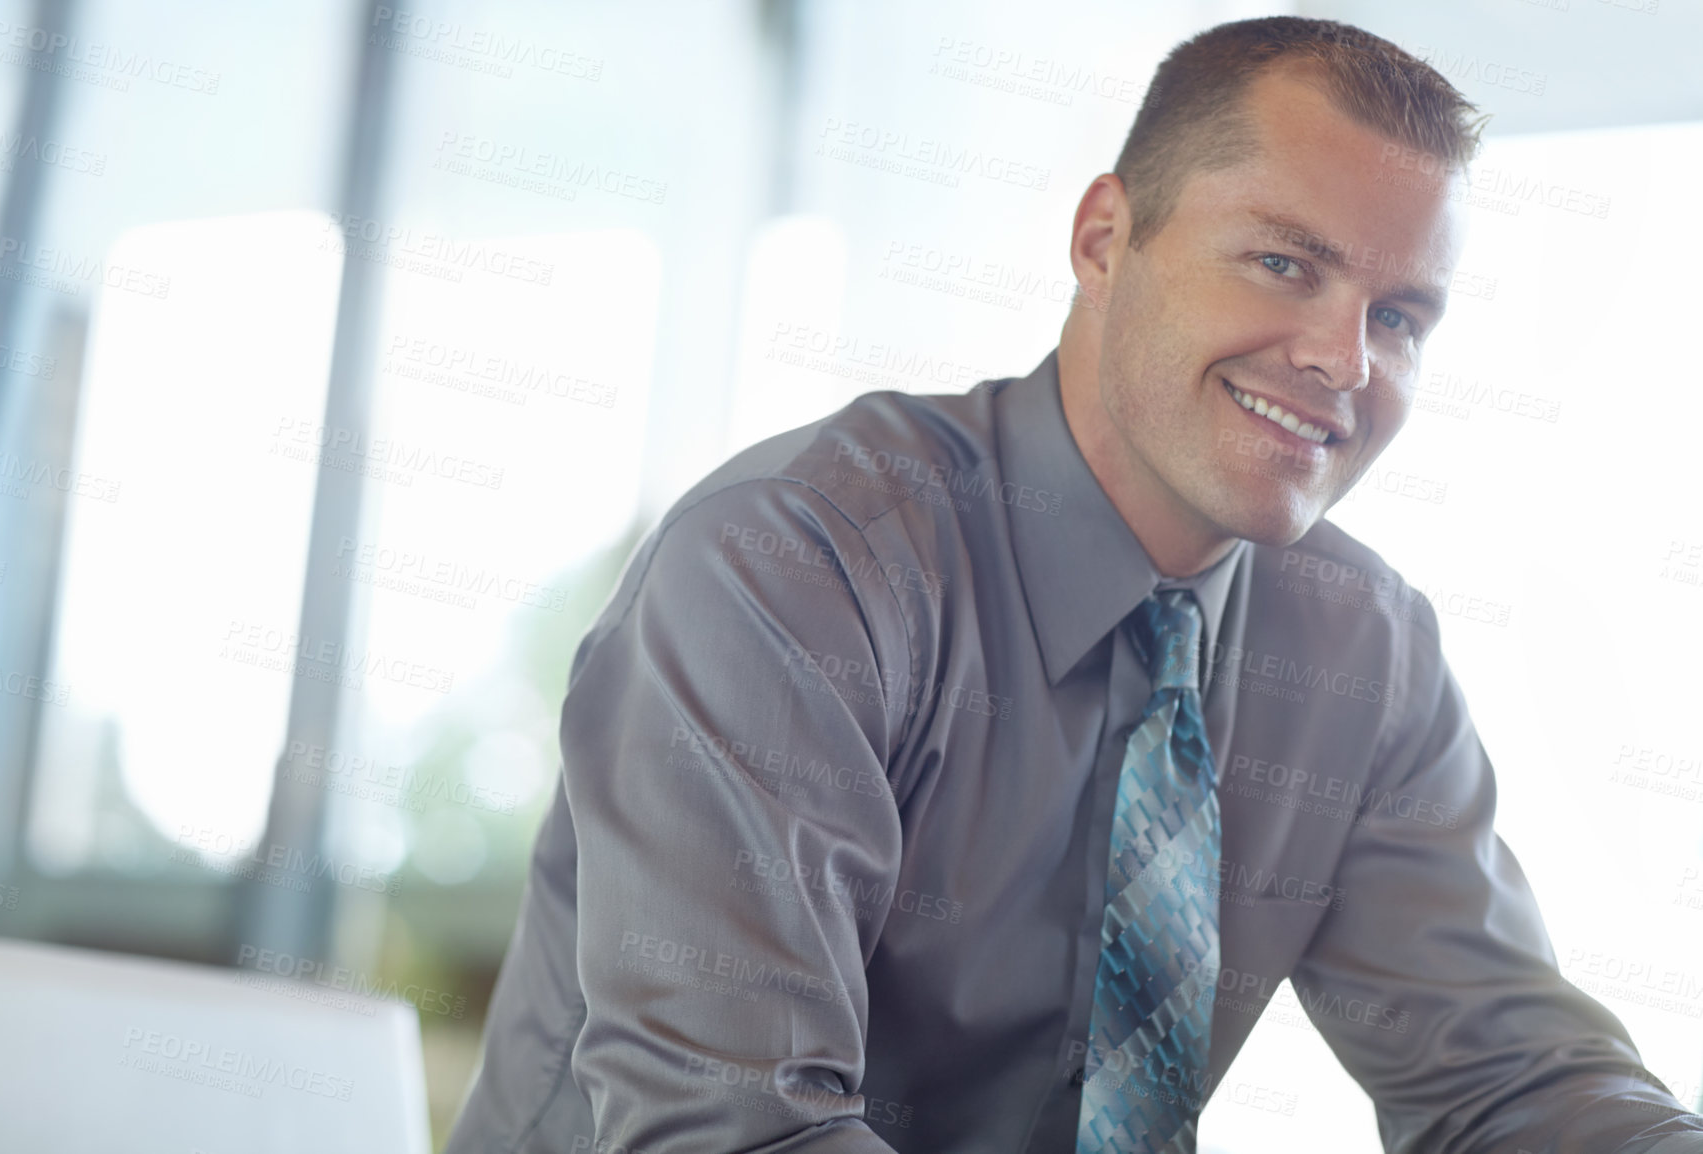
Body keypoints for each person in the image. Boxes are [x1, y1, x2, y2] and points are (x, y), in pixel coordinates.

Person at [446, 16, 1703, 1154]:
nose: (1342, 358)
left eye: (1401, 317)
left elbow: (1508, 1084)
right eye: (1281, 262)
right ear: (1104, 236)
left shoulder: (1360, 655)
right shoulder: (793, 569)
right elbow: (735, 1131)